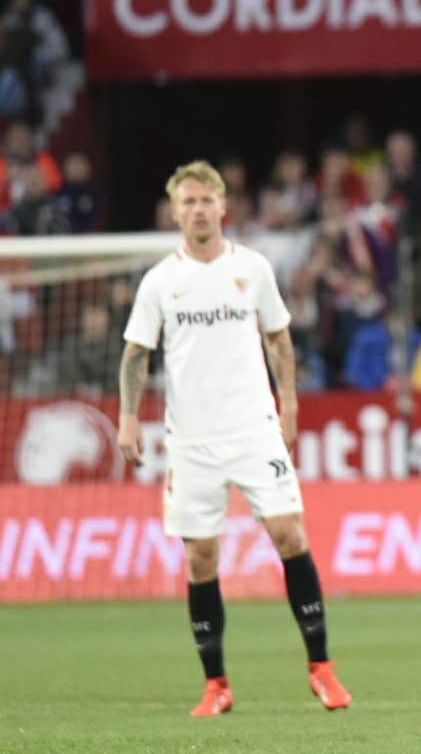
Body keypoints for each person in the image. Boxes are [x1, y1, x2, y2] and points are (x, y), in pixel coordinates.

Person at [117, 161, 351, 716]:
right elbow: (135, 353)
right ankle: (216, 685)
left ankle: (322, 669)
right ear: (175, 212)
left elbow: (279, 340)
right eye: (188, 201)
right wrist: (128, 418)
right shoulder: (160, 281)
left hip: (254, 430)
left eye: (206, 200)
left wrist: (289, 403)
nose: (198, 209)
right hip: (191, 442)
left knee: (290, 534)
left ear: (223, 207)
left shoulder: (252, 268)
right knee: (201, 559)